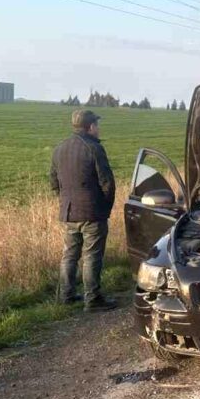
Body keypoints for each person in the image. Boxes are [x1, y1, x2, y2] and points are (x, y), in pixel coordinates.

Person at [50, 109, 118, 311]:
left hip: (69, 212)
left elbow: (54, 181)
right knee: (91, 256)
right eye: (97, 125)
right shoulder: (94, 148)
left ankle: (66, 295)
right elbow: (107, 182)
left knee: (69, 255)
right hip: (92, 213)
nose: (98, 128)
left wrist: (64, 201)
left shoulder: (59, 148)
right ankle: (93, 299)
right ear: (91, 127)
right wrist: (105, 208)